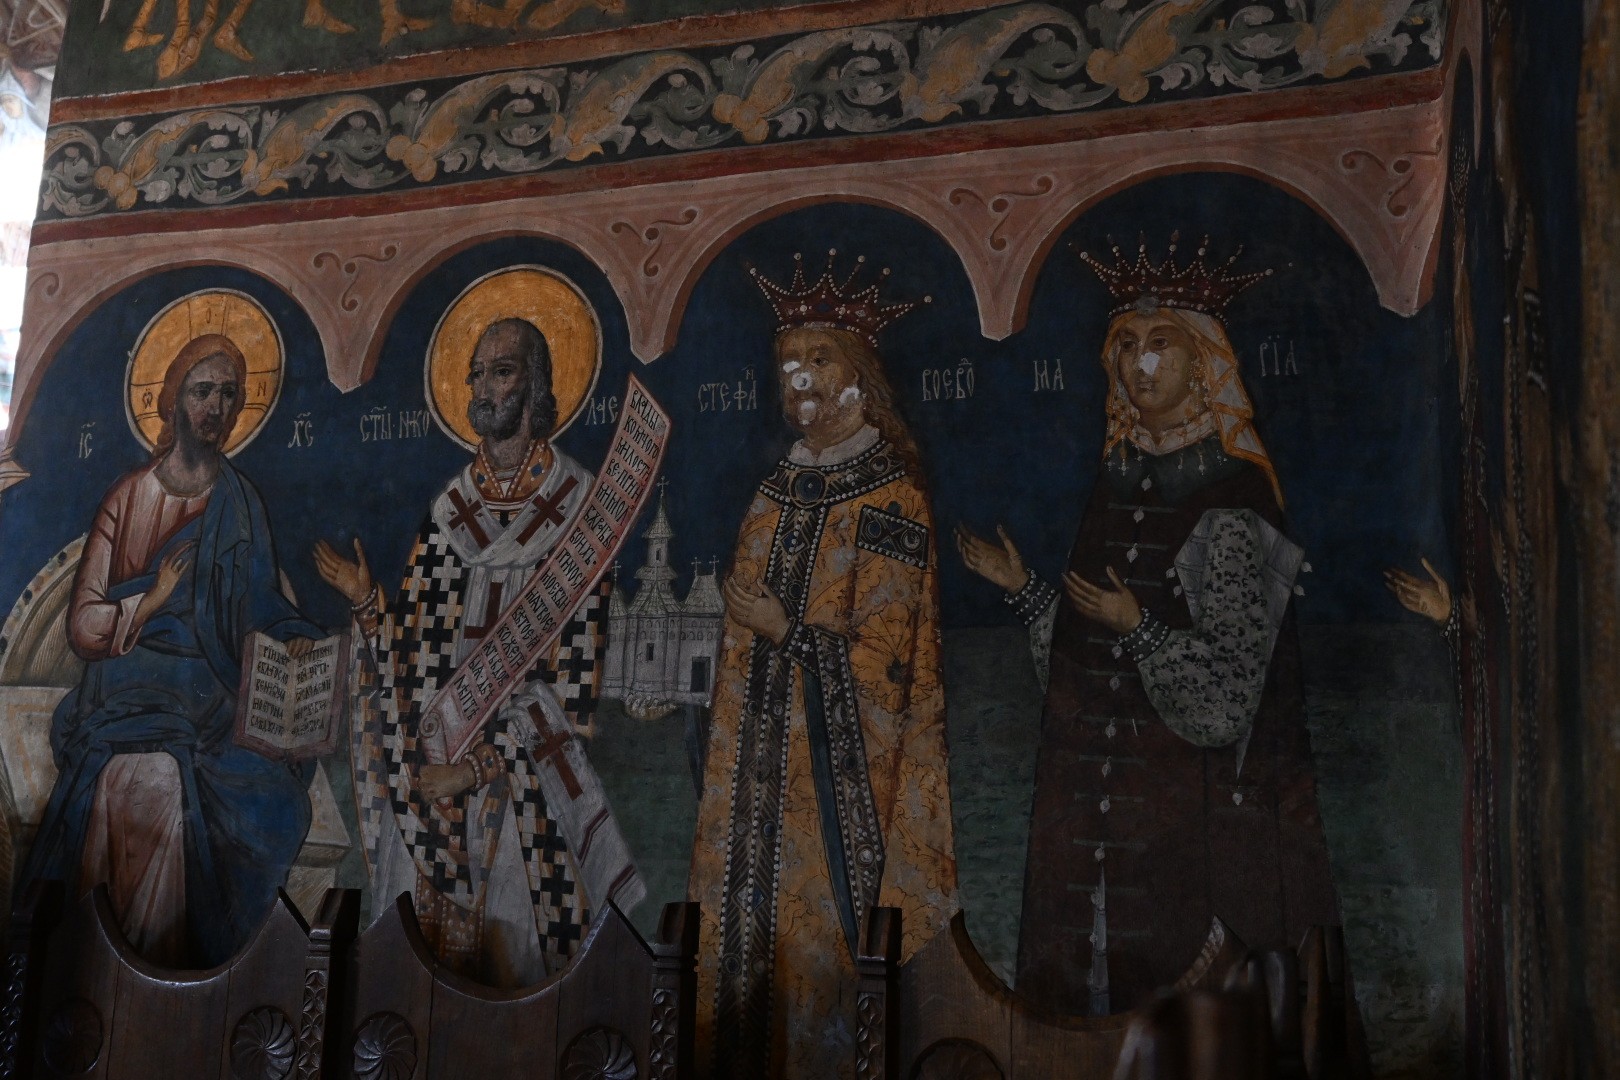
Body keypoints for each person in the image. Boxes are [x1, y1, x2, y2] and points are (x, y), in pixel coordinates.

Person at [958, 239, 1341, 1014]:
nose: (1140, 363)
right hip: (1094, 830)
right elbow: (1081, 681)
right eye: (1126, 346)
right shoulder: (1116, 481)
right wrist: (1026, 593)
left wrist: (1140, 628)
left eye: (1161, 343)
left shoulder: (1235, 498)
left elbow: (1225, 703)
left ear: (1205, 364)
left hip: (1194, 829)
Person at [687, 253, 958, 1079]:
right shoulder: (774, 491)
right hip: (753, 791)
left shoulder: (891, 499)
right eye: (787, 364)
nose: (799, 378)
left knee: (830, 980)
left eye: (819, 359)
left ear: (859, 377)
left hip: (837, 797)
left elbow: (889, 667)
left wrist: (786, 633)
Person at [315, 317, 641, 987]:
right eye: (476, 374)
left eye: (502, 371)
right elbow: (411, 657)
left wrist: (476, 770)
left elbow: (573, 690)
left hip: (522, 781)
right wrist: (369, 604)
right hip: (436, 764)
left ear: (535, 385)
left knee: (514, 969)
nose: (484, 388)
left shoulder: (578, 508)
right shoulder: (450, 511)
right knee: (413, 969)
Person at [21, 334, 325, 966]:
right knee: (144, 782)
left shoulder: (240, 504)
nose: (215, 407)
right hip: (123, 694)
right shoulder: (128, 498)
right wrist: (154, 599)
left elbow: (261, 606)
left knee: (272, 800)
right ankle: (115, 964)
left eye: (229, 395)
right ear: (172, 399)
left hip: (209, 697)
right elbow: (83, 626)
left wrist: (294, 638)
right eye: (202, 391)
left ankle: (176, 973)